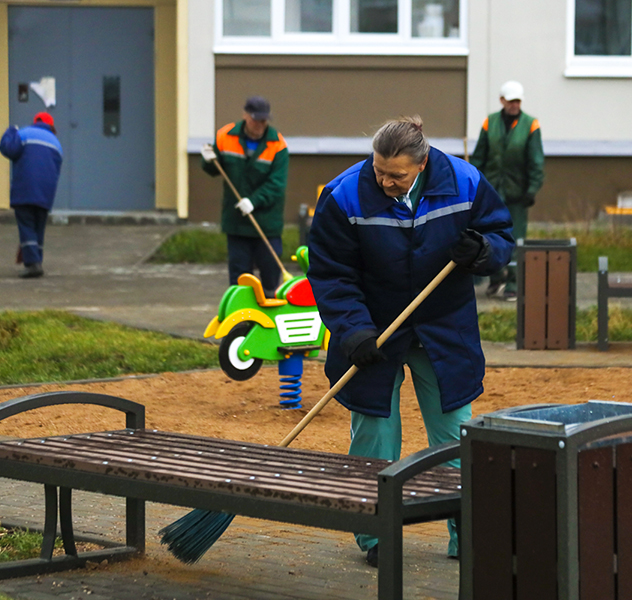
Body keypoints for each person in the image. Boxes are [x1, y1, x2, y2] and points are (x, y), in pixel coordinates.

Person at [307, 116, 514, 568]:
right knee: (375, 432)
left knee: (454, 431)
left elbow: (501, 234)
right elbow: (331, 273)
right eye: (379, 169)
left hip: (445, 327)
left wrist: (483, 251)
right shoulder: (344, 195)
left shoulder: (464, 181)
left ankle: (466, 531)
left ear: (422, 164)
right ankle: (376, 533)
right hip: (373, 329)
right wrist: (352, 329)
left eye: (396, 175)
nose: (384, 181)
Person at [200, 96, 289, 297]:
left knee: (270, 273)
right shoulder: (225, 136)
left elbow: (277, 184)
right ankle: (241, 321)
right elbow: (215, 169)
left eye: (264, 120)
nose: (260, 125)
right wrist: (207, 159)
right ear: (245, 115)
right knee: (239, 278)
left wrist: (254, 201)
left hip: (267, 224)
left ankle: (270, 320)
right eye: (256, 119)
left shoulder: (277, 145)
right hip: (237, 223)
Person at [470, 80, 545, 300]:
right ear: (502, 100)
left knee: (516, 238)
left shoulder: (531, 125)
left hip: (517, 194)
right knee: (489, 235)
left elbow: (536, 161)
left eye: (518, 101)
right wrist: (474, 184)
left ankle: (513, 283)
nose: (514, 105)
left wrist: (531, 189)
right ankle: (495, 280)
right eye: (511, 100)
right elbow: (478, 157)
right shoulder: (489, 123)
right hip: (491, 192)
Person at [0, 112, 63, 278]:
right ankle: (37, 261)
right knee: (38, 228)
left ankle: (33, 265)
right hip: (45, 193)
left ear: (35, 122)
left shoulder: (24, 134)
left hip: (25, 190)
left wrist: (10, 131)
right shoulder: (57, 143)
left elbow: (7, 149)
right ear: (51, 126)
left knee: (27, 226)